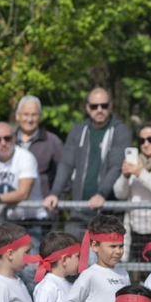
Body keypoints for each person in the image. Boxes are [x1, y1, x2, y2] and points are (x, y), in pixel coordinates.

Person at [45, 87, 132, 229]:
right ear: (87, 107)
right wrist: (54, 193)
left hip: (107, 213)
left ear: (110, 106)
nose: (99, 109)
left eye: (103, 105)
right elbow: (66, 164)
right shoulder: (78, 130)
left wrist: (101, 194)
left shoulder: (120, 131)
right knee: (70, 249)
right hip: (79, 210)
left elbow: (116, 167)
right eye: (94, 106)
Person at [66, 212, 131, 302]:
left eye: (121, 246)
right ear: (95, 246)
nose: (118, 251)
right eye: (112, 246)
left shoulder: (124, 274)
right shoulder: (89, 275)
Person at [0, 121, 48, 233]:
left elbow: (23, 194)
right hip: (7, 221)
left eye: (7, 138)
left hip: (32, 221)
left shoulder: (25, 157)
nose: (3, 143)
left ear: (14, 138)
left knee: (31, 251)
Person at [13, 95, 62, 195]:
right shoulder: (7, 142)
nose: (30, 119)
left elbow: (63, 176)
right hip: (12, 206)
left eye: (34, 115)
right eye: (25, 114)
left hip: (43, 207)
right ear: (17, 115)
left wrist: (56, 201)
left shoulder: (52, 142)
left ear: (40, 116)